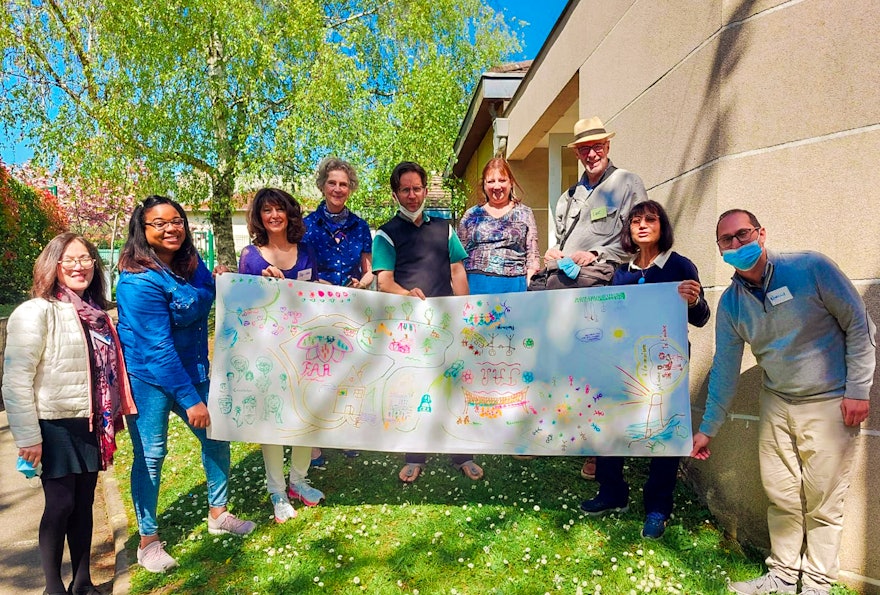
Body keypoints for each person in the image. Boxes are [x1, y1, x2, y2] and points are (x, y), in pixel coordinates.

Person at [690, 209, 875, 595]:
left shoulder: (811, 268)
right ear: (720, 249)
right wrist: (708, 429)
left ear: (761, 233)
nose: (737, 244)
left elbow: (860, 325)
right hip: (777, 403)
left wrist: (858, 390)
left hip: (830, 403)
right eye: (728, 240)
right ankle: (783, 574)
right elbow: (724, 370)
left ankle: (817, 584)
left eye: (743, 234)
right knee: (782, 495)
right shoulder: (731, 304)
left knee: (824, 502)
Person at [116, 196, 255, 574]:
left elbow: (215, 291)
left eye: (176, 221)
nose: (171, 228)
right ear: (142, 230)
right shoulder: (137, 280)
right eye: (158, 223)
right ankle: (148, 541)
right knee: (152, 454)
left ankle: (218, 513)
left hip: (194, 367)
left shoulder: (191, 264)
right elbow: (157, 349)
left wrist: (237, 279)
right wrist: (191, 399)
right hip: (150, 376)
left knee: (217, 437)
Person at [3, 233, 136, 595]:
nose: (80, 266)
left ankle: (82, 582)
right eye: (70, 260)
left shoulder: (96, 315)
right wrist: (28, 436)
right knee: (60, 504)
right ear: (54, 265)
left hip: (89, 421)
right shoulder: (36, 311)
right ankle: (52, 586)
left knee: (84, 504)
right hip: (53, 422)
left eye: (87, 259)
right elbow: (16, 379)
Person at [578, 200, 710, 539]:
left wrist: (693, 300)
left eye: (650, 219)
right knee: (612, 422)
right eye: (635, 220)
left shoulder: (680, 266)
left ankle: (657, 507)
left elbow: (700, 317)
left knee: (663, 433)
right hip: (623, 364)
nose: (642, 225)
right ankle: (612, 493)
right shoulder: (622, 272)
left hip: (665, 367)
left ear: (662, 226)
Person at [538, 116, 649, 481]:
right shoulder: (568, 197)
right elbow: (559, 240)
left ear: (608, 146)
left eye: (597, 146)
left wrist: (597, 254)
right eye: (584, 148)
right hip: (564, 285)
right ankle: (569, 435)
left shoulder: (628, 183)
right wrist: (554, 254)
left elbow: (636, 236)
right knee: (570, 367)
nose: (591, 153)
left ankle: (601, 452)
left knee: (601, 371)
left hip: (601, 285)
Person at [372, 161, 483, 484]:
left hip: (447, 322)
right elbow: (384, 283)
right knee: (414, 388)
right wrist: (408, 294)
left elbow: (458, 271)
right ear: (395, 194)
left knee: (453, 387)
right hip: (409, 328)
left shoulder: (444, 228)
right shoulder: (386, 233)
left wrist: (464, 313)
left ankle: (462, 453)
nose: (411, 195)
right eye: (405, 190)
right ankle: (414, 456)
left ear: (425, 190)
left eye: (416, 188)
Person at [238, 187, 325, 521]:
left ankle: (299, 481)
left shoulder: (306, 253)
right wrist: (262, 287)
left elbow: (315, 296)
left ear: (290, 214)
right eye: (266, 211)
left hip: (304, 350)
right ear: (259, 217)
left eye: (279, 209)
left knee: (305, 415)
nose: (274, 216)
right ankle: (276, 489)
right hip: (266, 351)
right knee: (272, 421)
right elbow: (243, 306)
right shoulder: (251, 256)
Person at [303, 157, 374, 459]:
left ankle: (346, 433)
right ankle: (314, 439)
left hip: (351, 308)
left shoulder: (361, 227)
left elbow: (370, 270)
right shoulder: (305, 226)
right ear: (322, 185)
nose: (337, 188)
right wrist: (318, 285)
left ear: (351, 188)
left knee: (349, 370)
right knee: (316, 372)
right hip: (315, 308)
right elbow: (301, 268)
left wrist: (362, 283)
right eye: (332, 182)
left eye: (343, 184)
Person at [457, 157, 540, 293]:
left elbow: (533, 255)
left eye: (502, 180)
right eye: (491, 181)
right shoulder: (471, 215)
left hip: (514, 286)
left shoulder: (525, 213)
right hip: (476, 285)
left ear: (511, 182)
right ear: (484, 185)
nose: (496, 186)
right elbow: (458, 257)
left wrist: (529, 286)